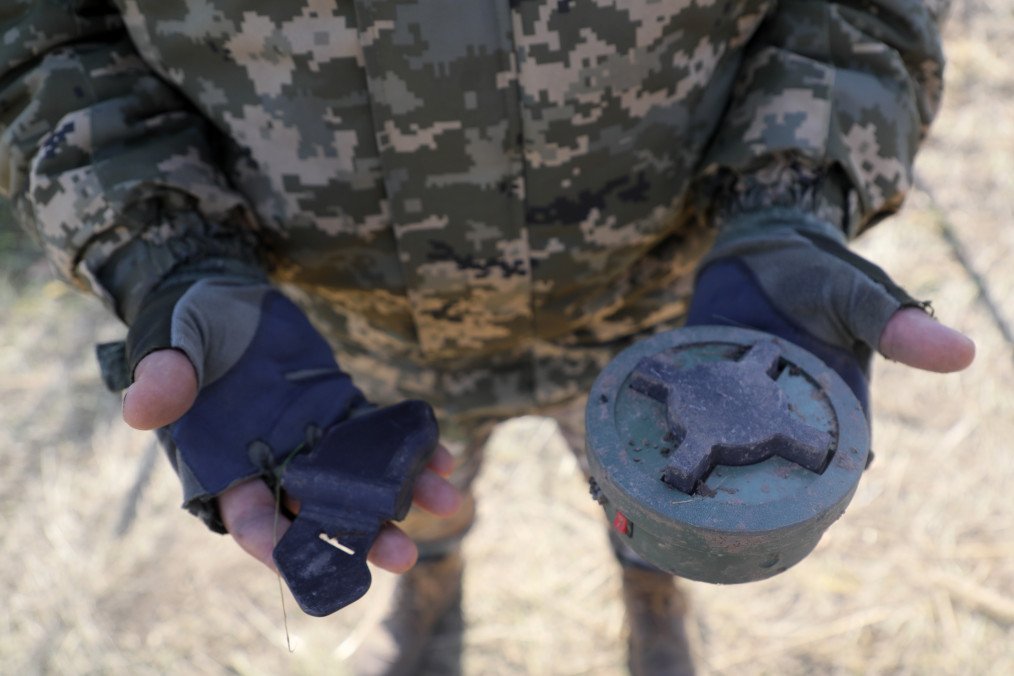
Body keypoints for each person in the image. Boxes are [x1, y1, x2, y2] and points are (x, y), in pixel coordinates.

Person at [0, 1, 974, 674]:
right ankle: (433, 597)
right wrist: (163, 249)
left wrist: (788, 191)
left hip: (669, 309)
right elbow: (41, 31)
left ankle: (657, 597)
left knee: (657, 501)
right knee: (409, 506)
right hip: (333, 339)